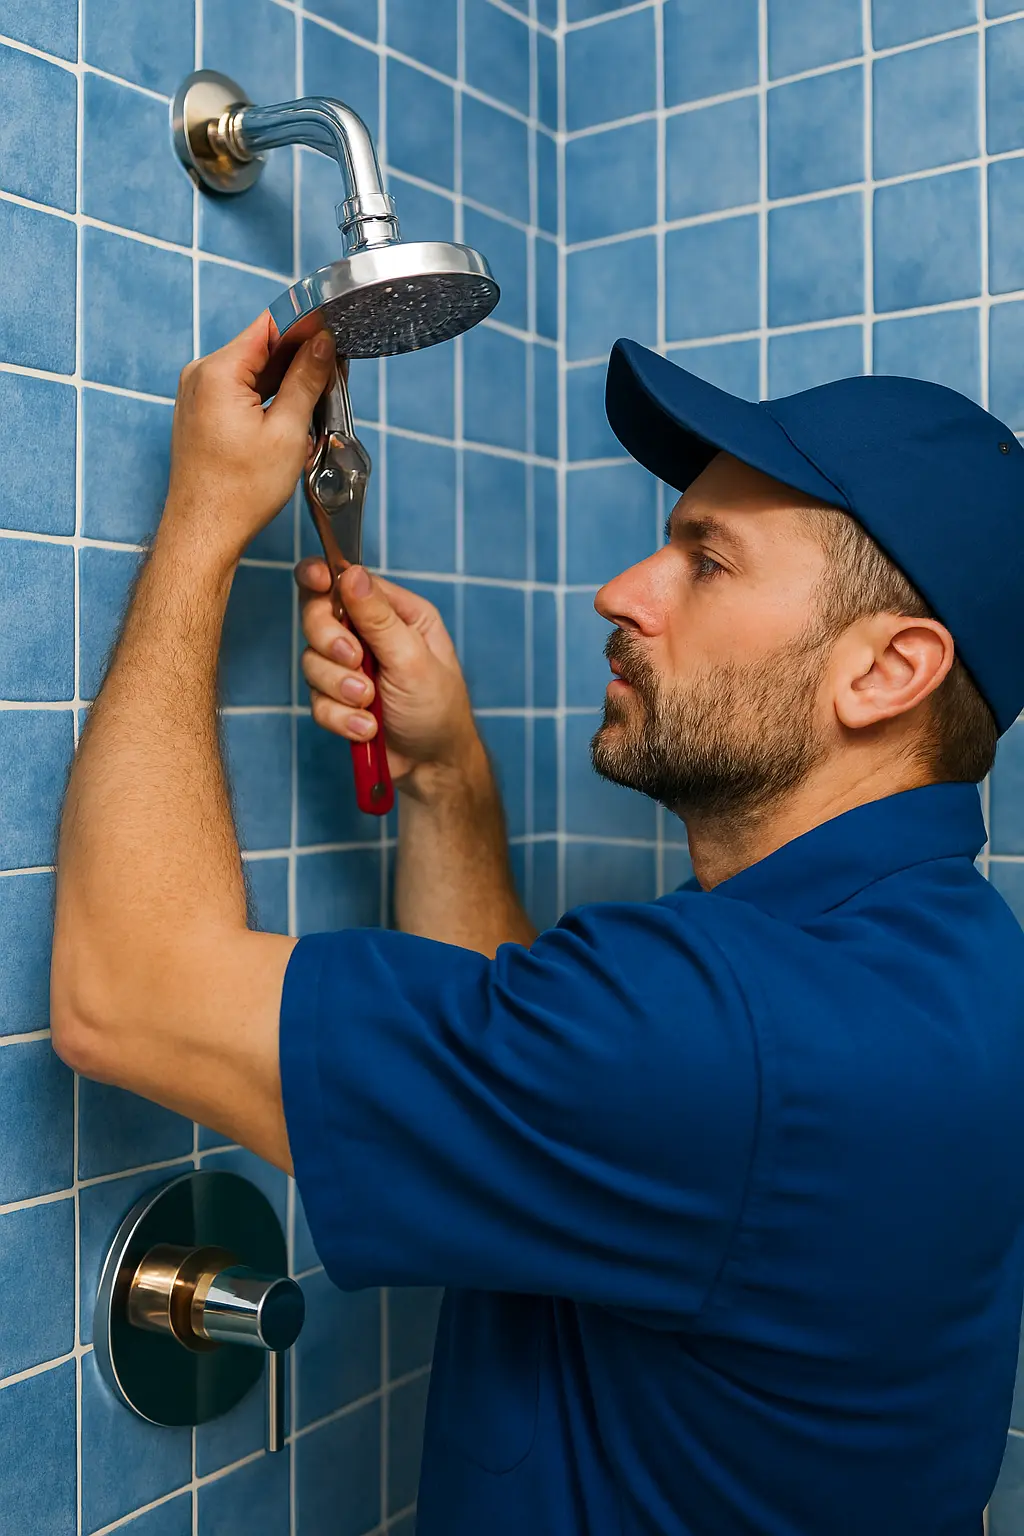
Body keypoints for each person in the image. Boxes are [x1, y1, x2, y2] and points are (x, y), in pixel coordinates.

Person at [51, 313, 1024, 1536]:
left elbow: (123, 993)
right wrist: (445, 773)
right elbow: (559, 1108)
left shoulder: (735, 1031)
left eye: (705, 560)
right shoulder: (945, 958)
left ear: (887, 672)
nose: (621, 592)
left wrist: (202, 522)